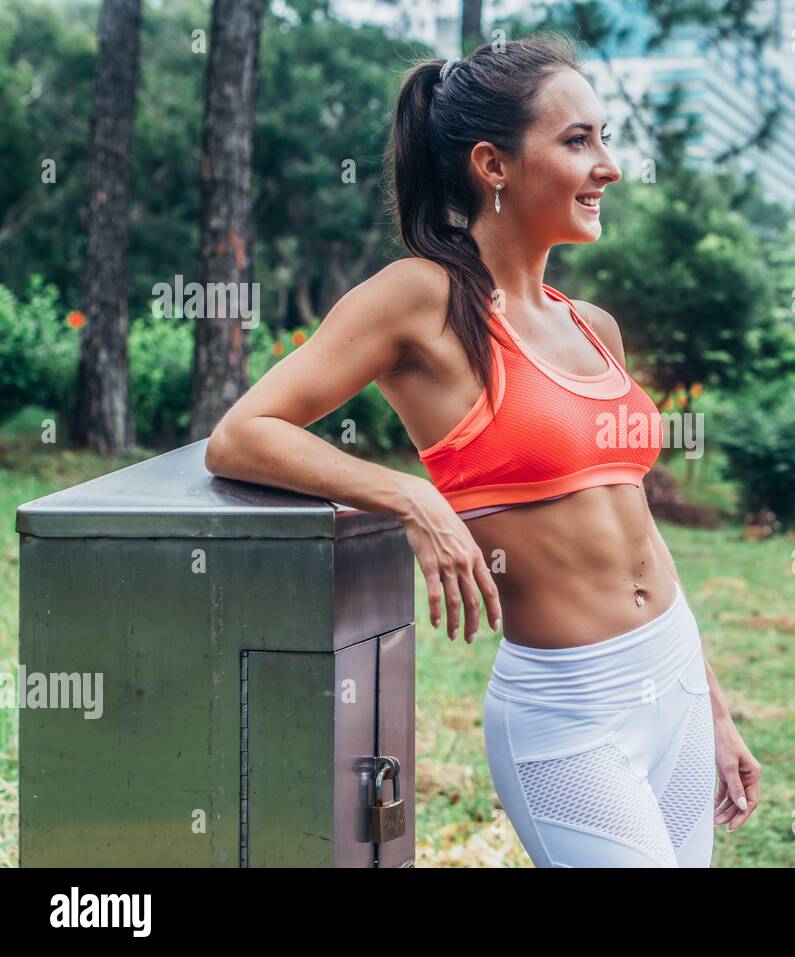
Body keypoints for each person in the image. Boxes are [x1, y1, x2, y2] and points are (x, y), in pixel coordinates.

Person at [204, 32, 761, 867]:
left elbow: (638, 529)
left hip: (673, 678)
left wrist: (713, 707)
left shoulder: (592, 326)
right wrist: (411, 495)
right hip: (567, 715)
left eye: (604, 138)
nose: (607, 165)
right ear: (492, 165)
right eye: (577, 141)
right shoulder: (419, 297)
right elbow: (241, 434)